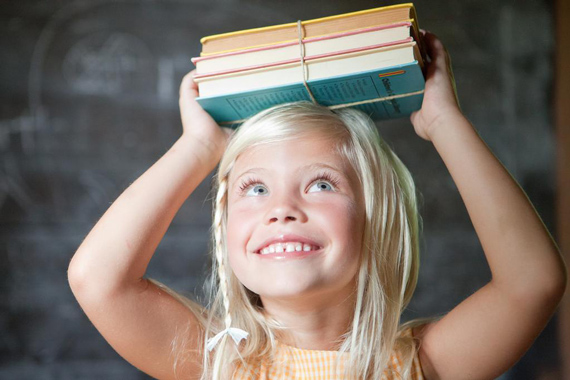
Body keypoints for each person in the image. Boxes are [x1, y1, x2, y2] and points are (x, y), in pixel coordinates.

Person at [67, 31, 567, 379]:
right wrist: (197, 148)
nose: (280, 209)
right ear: (223, 232)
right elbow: (97, 279)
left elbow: (534, 282)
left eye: (321, 185)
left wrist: (443, 123)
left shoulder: (422, 364)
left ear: (377, 220)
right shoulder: (216, 364)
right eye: (255, 189)